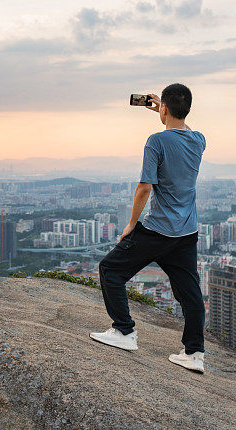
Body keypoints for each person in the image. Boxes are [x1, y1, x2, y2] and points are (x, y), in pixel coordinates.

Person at [89, 83, 207, 373]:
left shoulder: (156, 141)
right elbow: (186, 130)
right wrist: (168, 114)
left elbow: (144, 187)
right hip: (186, 232)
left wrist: (131, 224)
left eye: (163, 107)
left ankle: (125, 332)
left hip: (157, 229)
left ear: (164, 108)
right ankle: (194, 354)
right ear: (187, 109)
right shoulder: (199, 140)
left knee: (110, 270)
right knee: (190, 292)